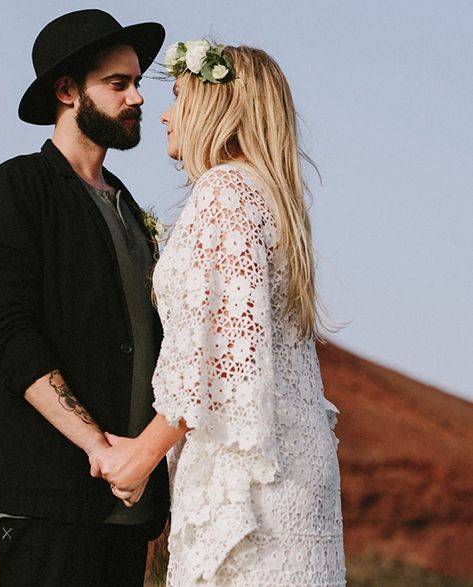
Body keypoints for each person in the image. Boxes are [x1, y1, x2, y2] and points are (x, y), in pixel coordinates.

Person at [95, 41, 346, 585]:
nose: (164, 113)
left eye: (179, 97)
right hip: (294, 473)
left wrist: (141, 455)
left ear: (217, 108)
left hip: (249, 486)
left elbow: (227, 358)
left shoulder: (225, 192)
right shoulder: (268, 196)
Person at [0, 9, 170, 587]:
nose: (137, 99)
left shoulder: (127, 203)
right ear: (67, 91)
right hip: (49, 490)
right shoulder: (14, 187)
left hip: (130, 504)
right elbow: (7, 333)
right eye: (117, 84)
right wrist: (99, 448)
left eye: (138, 84)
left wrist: (141, 460)